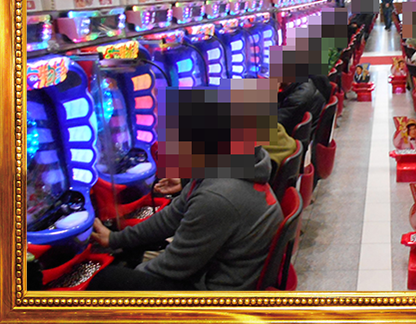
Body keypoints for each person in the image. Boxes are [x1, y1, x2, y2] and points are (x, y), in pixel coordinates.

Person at [88, 82, 284, 291]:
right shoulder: (229, 167)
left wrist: (129, 285)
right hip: (220, 269)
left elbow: (174, 267)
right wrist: (115, 239)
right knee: (131, 253)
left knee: (106, 280)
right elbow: (171, 216)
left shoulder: (217, 196)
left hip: (219, 296)